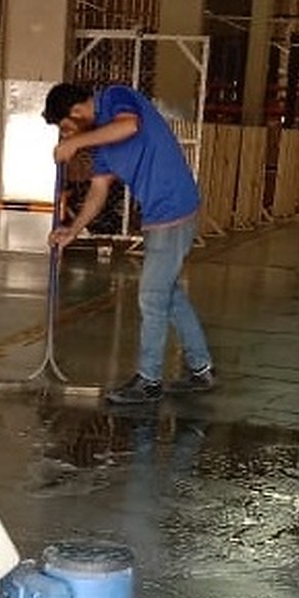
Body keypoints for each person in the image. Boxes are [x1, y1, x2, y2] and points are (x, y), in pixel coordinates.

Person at [42, 82, 214, 406]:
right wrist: (72, 229)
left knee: (151, 296)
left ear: (77, 112)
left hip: (172, 208)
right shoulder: (103, 144)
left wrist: (77, 141)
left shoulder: (116, 98)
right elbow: (98, 192)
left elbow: (130, 125)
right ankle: (201, 368)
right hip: (158, 212)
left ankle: (149, 381)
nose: (67, 136)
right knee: (168, 294)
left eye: (66, 127)